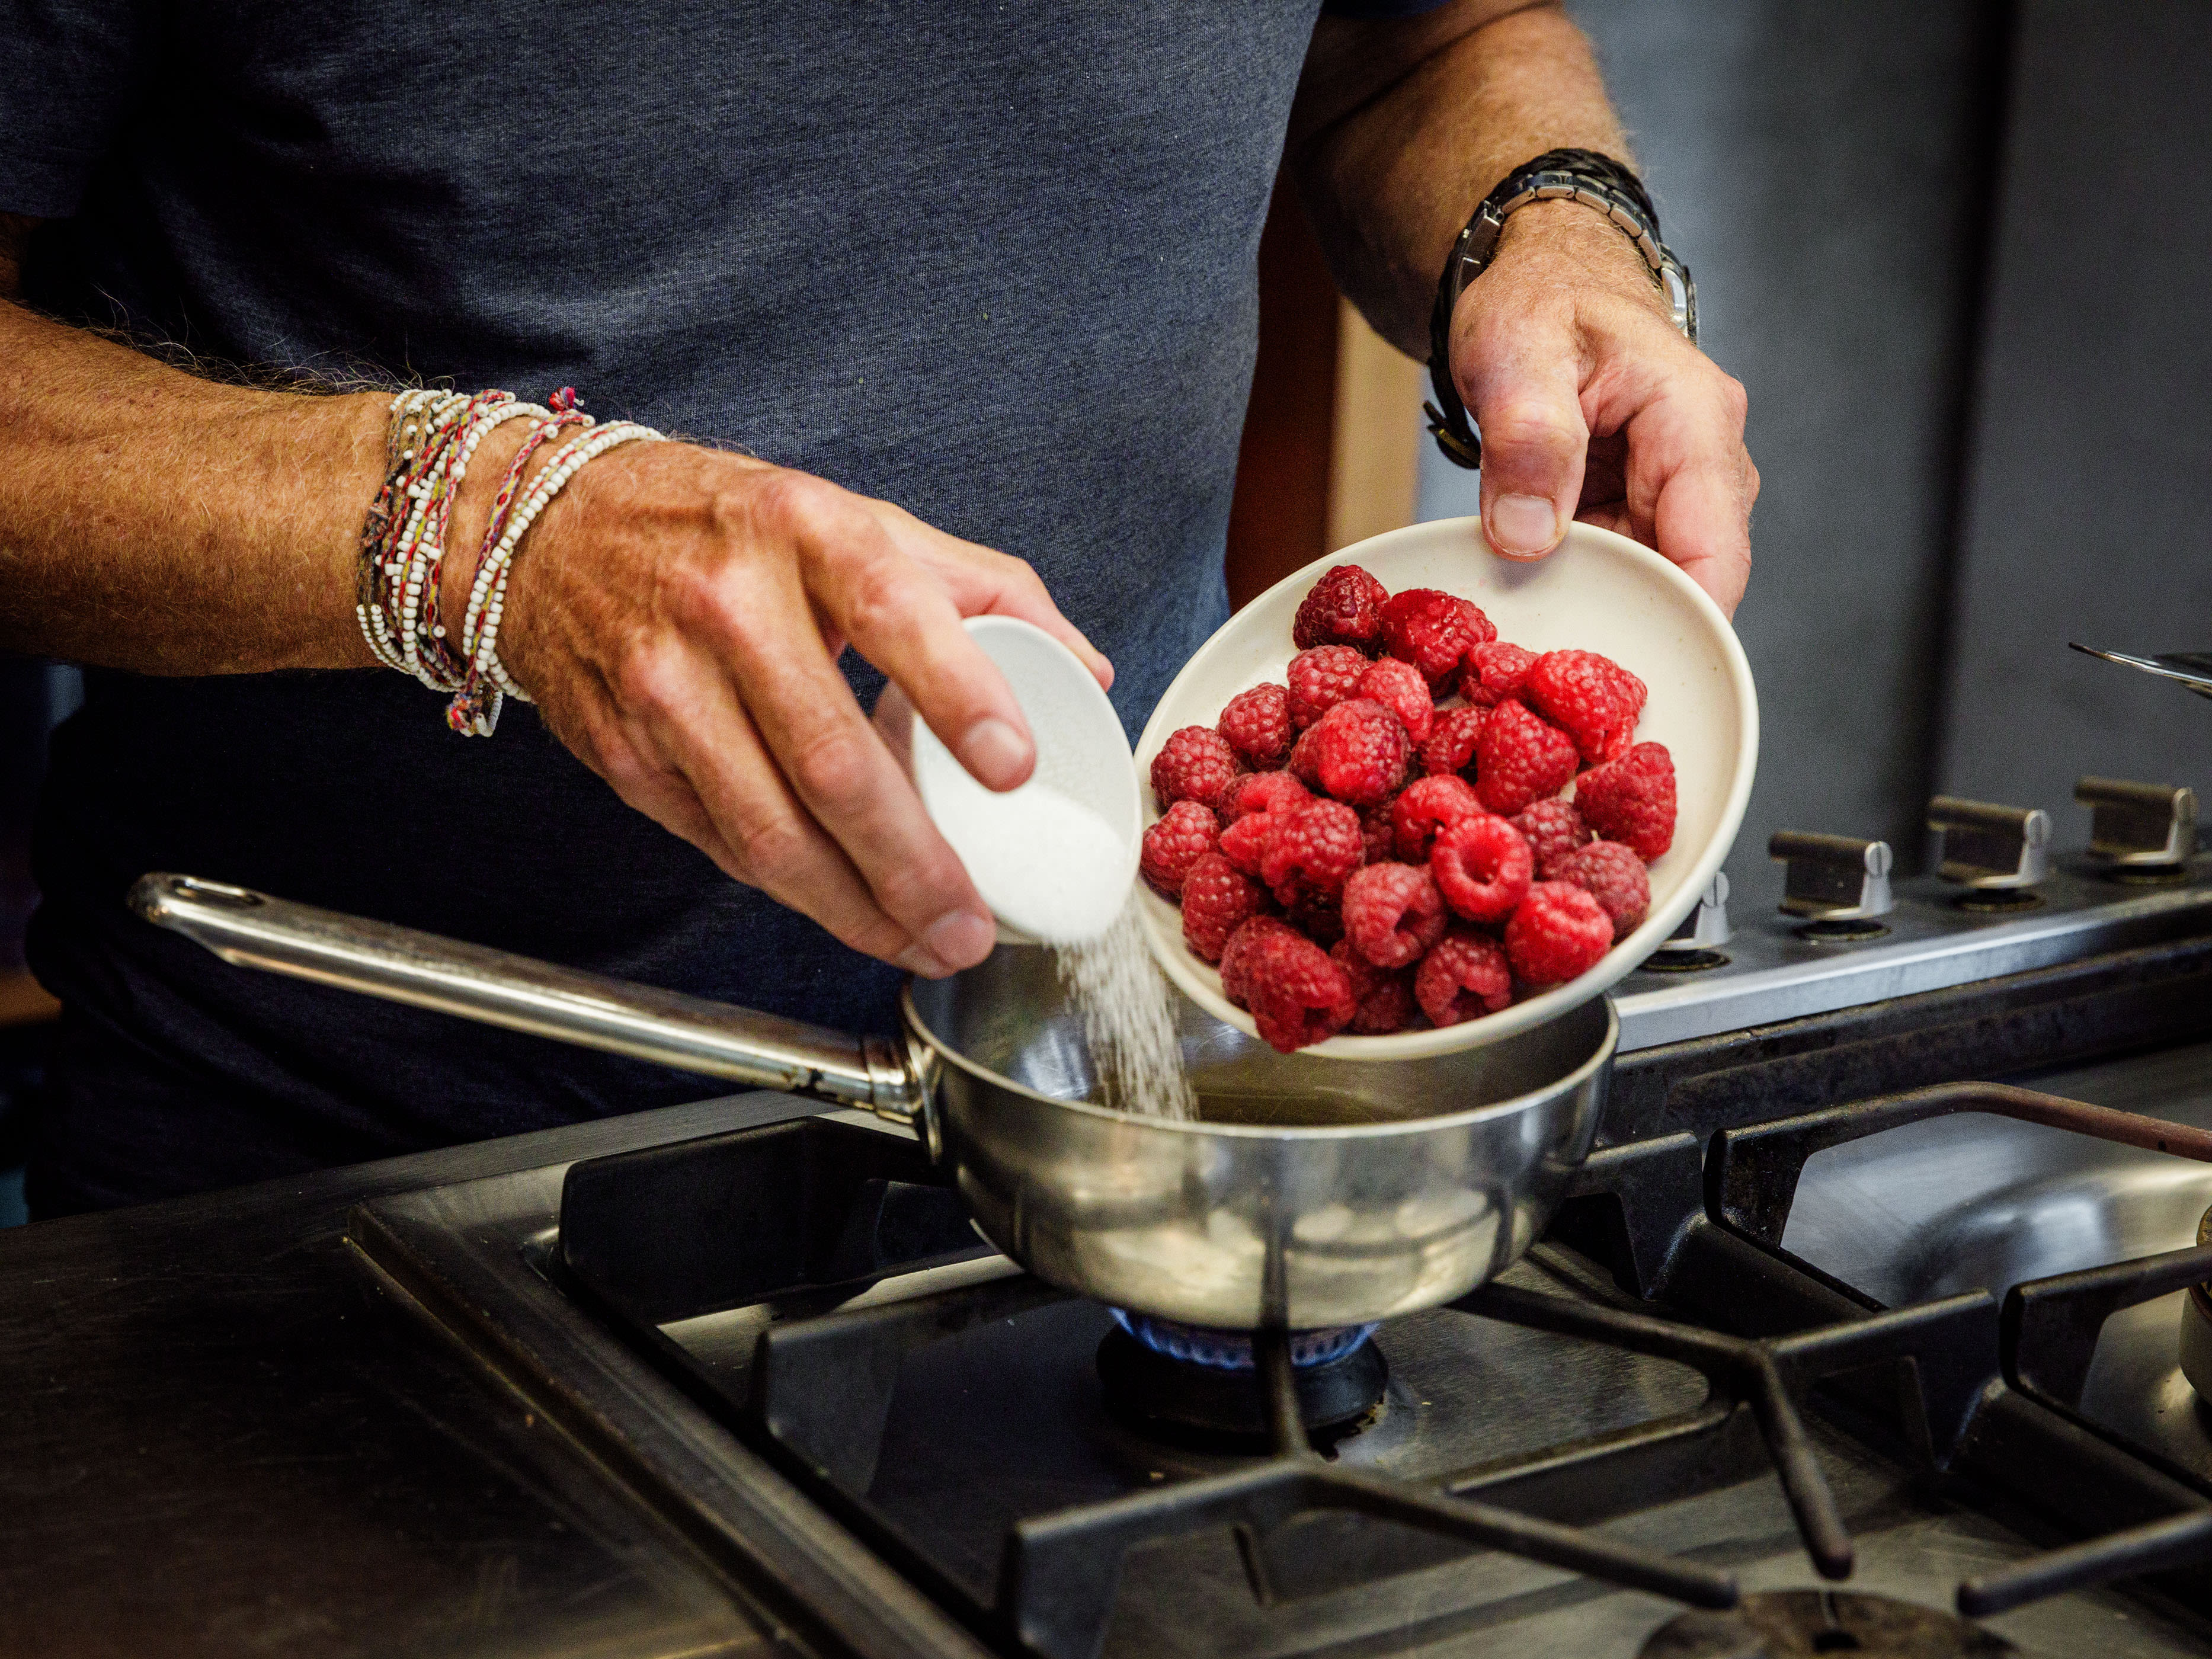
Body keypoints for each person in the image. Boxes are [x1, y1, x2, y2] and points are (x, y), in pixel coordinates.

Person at [0, 0, 1756, 1216]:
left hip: (1121, 1090)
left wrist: (1553, 222)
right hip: (357, 1156)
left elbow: (1414, 42)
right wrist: (478, 531)